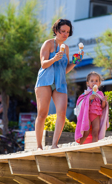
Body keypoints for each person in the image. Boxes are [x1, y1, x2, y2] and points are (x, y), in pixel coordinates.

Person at [35, 19, 84, 149]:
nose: (65, 34)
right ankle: (39, 146)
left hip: (60, 83)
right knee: (42, 114)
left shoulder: (66, 48)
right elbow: (43, 64)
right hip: (45, 81)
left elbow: (65, 70)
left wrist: (75, 61)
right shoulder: (48, 44)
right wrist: (54, 58)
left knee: (62, 113)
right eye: (63, 31)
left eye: (68, 32)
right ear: (56, 31)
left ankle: (54, 145)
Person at [75, 71, 109, 144]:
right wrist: (88, 98)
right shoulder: (85, 93)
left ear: (99, 83)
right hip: (87, 115)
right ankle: (80, 146)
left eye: (96, 81)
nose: (94, 82)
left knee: (95, 132)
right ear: (88, 83)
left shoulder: (100, 94)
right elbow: (79, 103)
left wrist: (103, 101)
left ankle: (95, 148)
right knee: (86, 132)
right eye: (92, 81)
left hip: (96, 116)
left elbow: (102, 107)